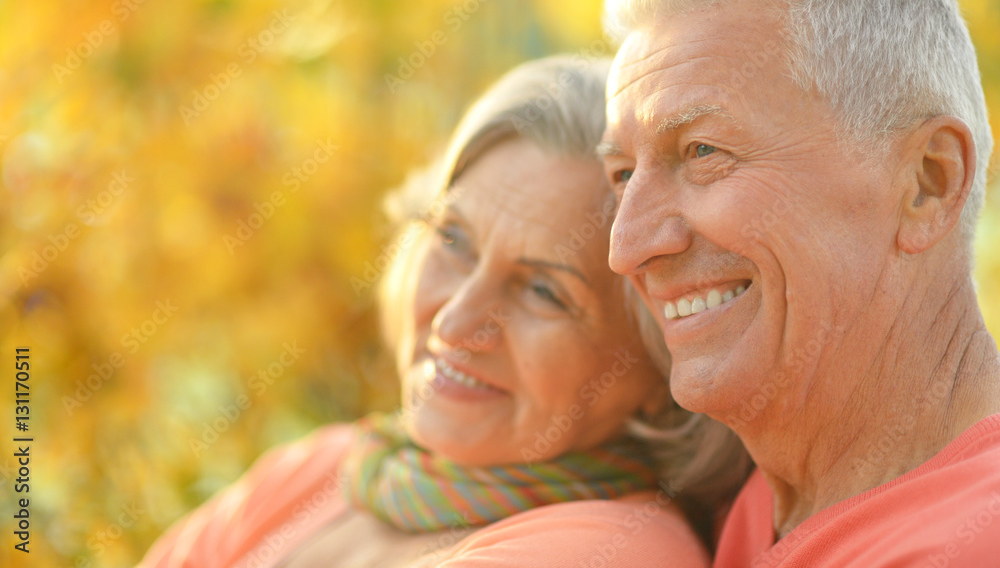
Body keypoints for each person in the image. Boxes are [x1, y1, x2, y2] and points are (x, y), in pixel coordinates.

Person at [139, 55, 749, 568]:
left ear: (657, 368)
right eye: (453, 241)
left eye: (544, 293)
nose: (456, 323)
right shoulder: (330, 468)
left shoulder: (605, 551)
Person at [597, 0, 1000, 565]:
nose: (626, 247)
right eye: (621, 173)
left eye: (702, 151)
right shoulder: (760, 483)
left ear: (928, 182)